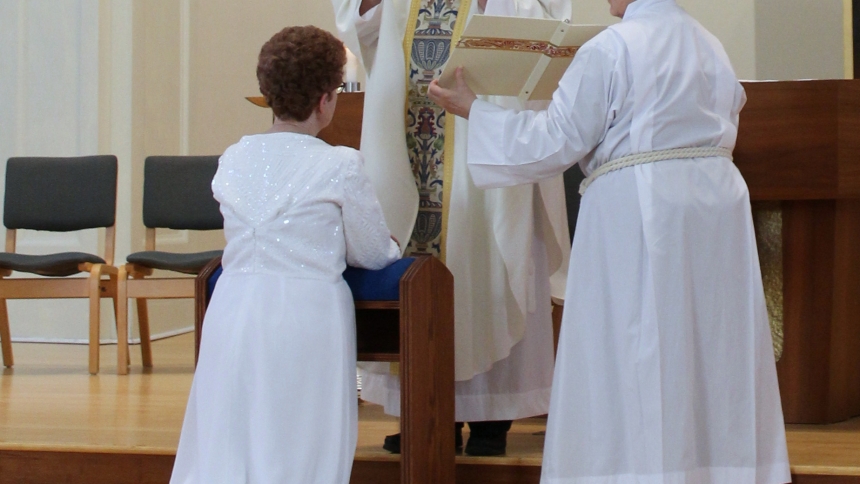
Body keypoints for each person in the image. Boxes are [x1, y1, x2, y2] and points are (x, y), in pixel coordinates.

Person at [428, 0, 792, 481]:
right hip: (714, 210)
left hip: (640, 209)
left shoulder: (611, 47)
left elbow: (556, 140)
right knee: (709, 345)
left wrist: (473, 109)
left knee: (633, 342)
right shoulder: (710, 44)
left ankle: (632, 469)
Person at [331, 0, 572, 456]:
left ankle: (490, 416)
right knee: (415, 257)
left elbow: (549, 19)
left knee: (489, 262)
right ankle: (422, 408)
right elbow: (360, 20)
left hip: (483, 138)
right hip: (410, 141)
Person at [169, 26, 400, 484]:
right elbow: (374, 254)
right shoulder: (338, 164)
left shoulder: (233, 159)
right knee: (297, 443)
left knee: (228, 436)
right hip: (304, 317)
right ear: (325, 100)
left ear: (268, 94)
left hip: (232, 313)